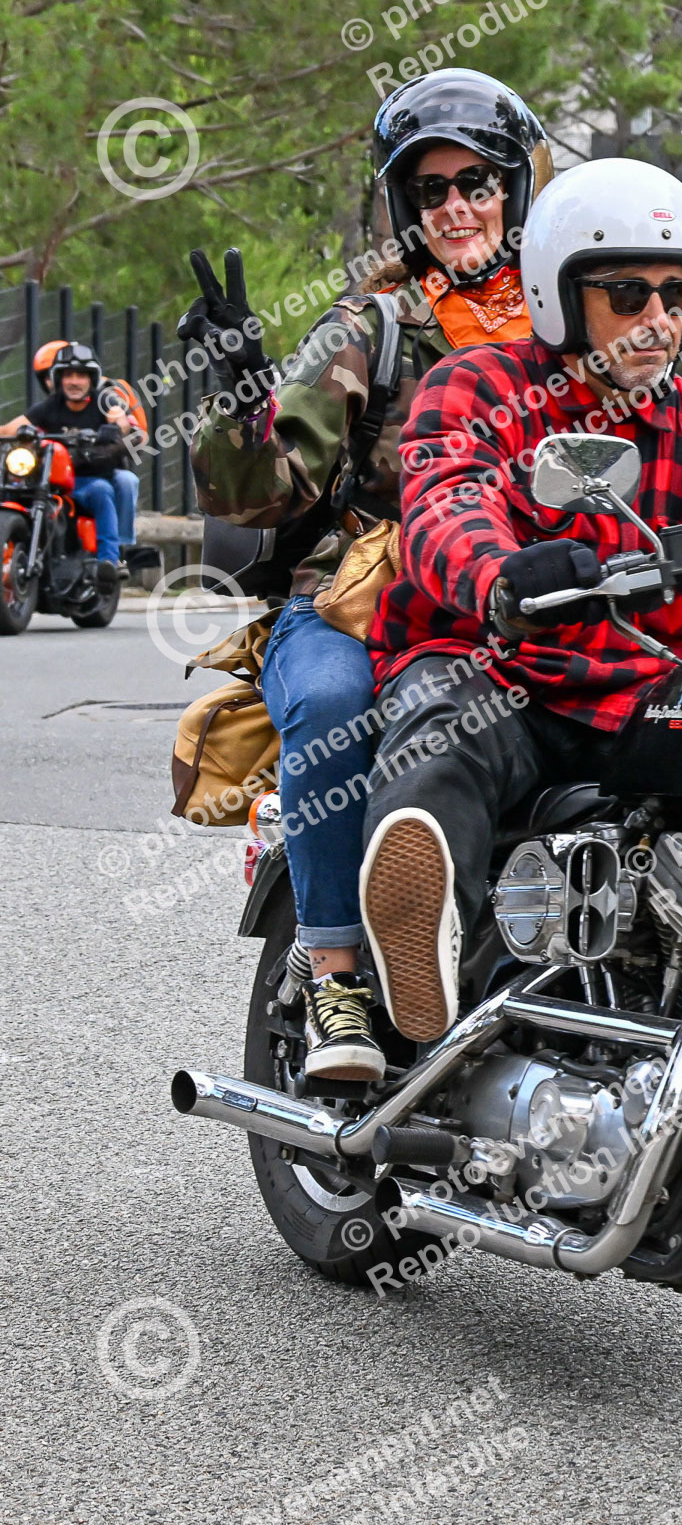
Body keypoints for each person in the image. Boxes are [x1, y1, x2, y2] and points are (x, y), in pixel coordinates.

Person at [358, 158, 682, 1045]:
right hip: (501, 671)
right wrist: (501, 577)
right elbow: (446, 499)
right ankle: (416, 966)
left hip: (644, 688)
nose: (658, 318)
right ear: (559, 296)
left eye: (677, 295)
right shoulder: (478, 386)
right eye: (628, 293)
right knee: (445, 732)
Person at [186, 69, 550, 1084]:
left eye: (477, 182)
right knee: (335, 702)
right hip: (358, 595)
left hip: (517, 598)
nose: (456, 207)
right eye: (431, 189)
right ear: (404, 205)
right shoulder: (374, 327)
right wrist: (240, 398)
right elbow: (257, 493)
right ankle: (338, 976)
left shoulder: (570, 321)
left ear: (515, 190)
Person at [1, 343, 137, 583]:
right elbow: (9, 430)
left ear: (91, 379)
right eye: (68, 375)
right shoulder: (49, 406)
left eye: (81, 375)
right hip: (55, 481)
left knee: (106, 488)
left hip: (91, 479)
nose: (75, 381)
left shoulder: (103, 401)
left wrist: (115, 429)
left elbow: (121, 420)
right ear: (58, 379)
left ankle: (109, 560)